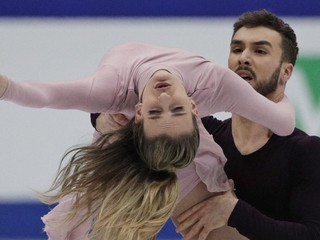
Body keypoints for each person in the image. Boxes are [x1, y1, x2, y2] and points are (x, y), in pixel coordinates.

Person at [0, 42, 295, 239]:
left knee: (213, 216)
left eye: (161, 109)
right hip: (130, 134)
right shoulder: (210, 84)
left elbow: (39, 96)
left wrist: (6, 88)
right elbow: (283, 122)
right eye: (169, 109)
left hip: (142, 133)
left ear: (196, 110)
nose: (164, 96)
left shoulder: (114, 94)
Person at [174, 10, 320, 240]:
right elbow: (131, 112)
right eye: (237, 49)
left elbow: (312, 235)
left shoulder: (305, 151)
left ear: (286, 72)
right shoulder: (206, 135)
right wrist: (103, 118)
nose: (243, 57)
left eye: (259, 51)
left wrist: (234, 212)